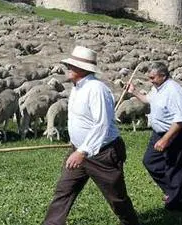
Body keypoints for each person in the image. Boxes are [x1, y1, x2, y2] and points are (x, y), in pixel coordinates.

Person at [43, 46, 139, 225]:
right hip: (79, 150)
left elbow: (101, 124)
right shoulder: (77, 88)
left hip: (103, 154)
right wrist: (77, 146)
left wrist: (83, 151)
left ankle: (131, 223)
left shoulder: (96, 89)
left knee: (117, 198)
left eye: (71, 66)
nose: (67, 69)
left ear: (82, 69)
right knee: (63, 192)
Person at [127, 61, 182, 211]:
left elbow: (180, 120)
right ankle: (173, 191)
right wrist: (134, 91)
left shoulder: (174, 91)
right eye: (149, 77)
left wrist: (166, 139)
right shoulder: (157, 88)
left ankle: (175, 204)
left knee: (175, 167)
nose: (150, 80)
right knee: (150, 161)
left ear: (163, 76)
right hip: (159, 132)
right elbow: (148, 100)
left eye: (152, 77)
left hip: (177, 133)